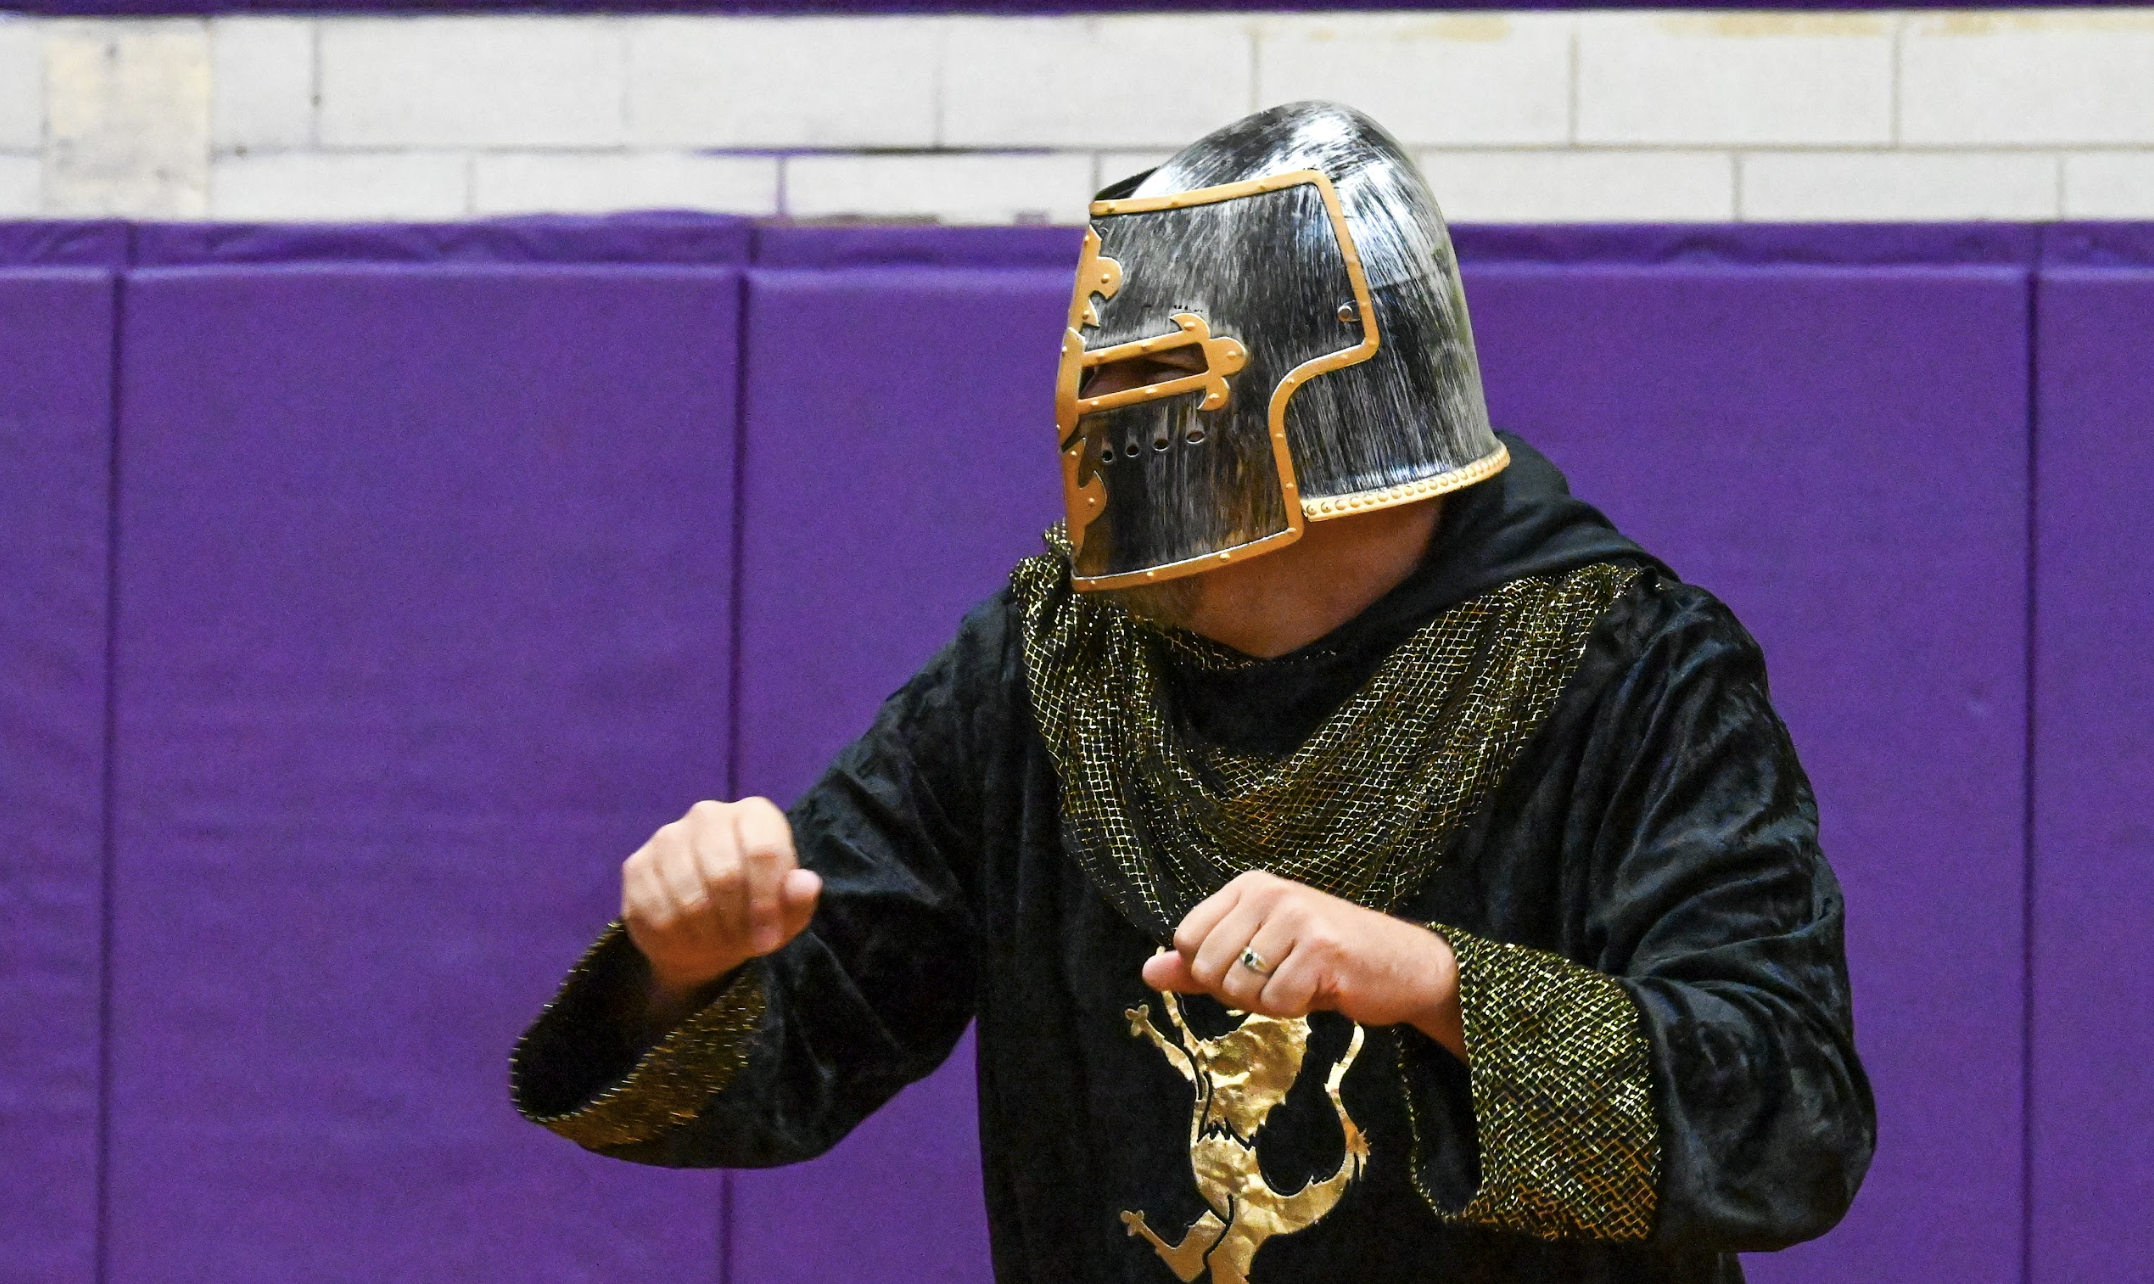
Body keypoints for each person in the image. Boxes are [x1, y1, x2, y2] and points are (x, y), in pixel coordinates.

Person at [511, 102, 1874, 1284]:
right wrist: (684, 969)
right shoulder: (1047, 665)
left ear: (1322, 408)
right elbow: (775, 1070)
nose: (1100, 429)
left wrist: (1435, 983)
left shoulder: (1627, 671)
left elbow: (1785, 1123)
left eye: (1150, 382)